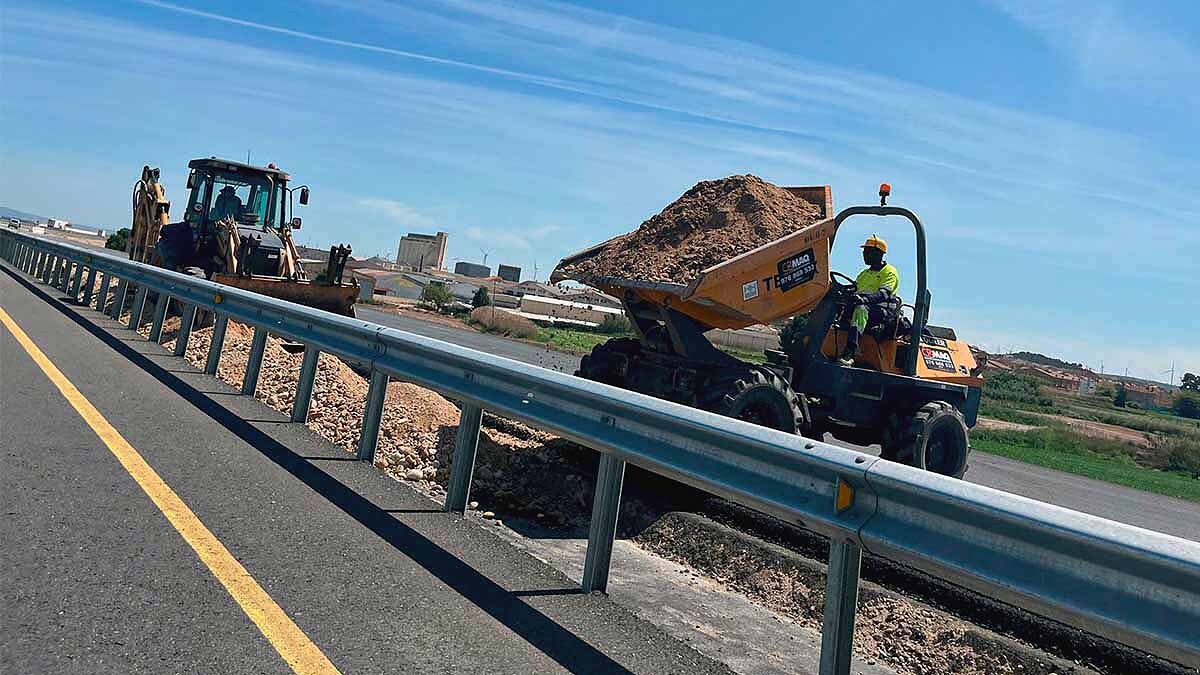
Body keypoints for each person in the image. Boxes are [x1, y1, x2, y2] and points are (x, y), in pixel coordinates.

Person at [840, 235, 900, 365]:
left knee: (861, 310)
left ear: (879, 254)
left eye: (868, 252)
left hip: (882, 313)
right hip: (865, 307)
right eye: (864, 252)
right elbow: (853, 289)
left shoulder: (889, 272)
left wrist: (863, 299)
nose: (864, 255)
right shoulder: (864, 274)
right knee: (837, 306)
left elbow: (883, 294)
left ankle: (850, 351)